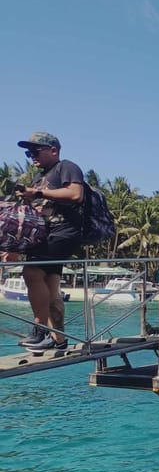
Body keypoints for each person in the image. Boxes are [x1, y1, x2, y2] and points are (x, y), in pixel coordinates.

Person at [15, 132, 84, 351]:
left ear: (53, 150)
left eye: (36, 151)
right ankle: (60, 340)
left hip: (64, 231)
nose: (31, 156)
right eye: (28, 153)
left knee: (31, 272)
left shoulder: (67, 166)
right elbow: (39, 205)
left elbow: (76, 194)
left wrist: (37, 192)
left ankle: (40, 332)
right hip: (47, 233)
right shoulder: (39, 177)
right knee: (51, 287)